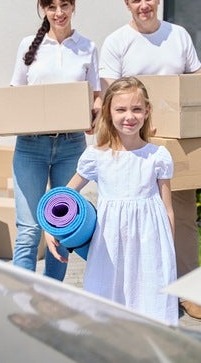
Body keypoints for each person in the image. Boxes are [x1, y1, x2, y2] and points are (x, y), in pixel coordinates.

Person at [99, 0, 201, 322]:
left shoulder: (178, 35)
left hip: (178, 143)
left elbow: (199, 81)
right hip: (135, 146)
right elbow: (110, 97)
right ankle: (136, 292)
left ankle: (187, 291)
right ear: (127, 4)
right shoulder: (117, 42)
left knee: (184, 218)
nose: (143, 5)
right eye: (136, 0)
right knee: (135, 220)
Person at [49, 77, 178, 325]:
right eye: (121, 109)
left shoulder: (158, 156)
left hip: (151, 244)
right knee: (107, 300)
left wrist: (169, 251)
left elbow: (168, 209)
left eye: (136, 109)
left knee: (150, 302)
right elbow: (62, 198)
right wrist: (49, 228)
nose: (129, 116)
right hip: (110, 246)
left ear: (147, 111)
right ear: (108, 111)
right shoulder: (97, 156)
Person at [8, 0, 101, 280]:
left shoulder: (87, 47)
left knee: (60, 228)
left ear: (74, 5)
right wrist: (0, 112)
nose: (59, 12)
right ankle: (19, 300)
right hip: (31, 147)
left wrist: (95, 115)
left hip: (71, 146)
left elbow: (96, 95)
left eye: (64, 5)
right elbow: (15, 92)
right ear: (43, 9)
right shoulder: (28, 45)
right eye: (52, 7)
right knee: (29, 230)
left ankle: (50, 302)